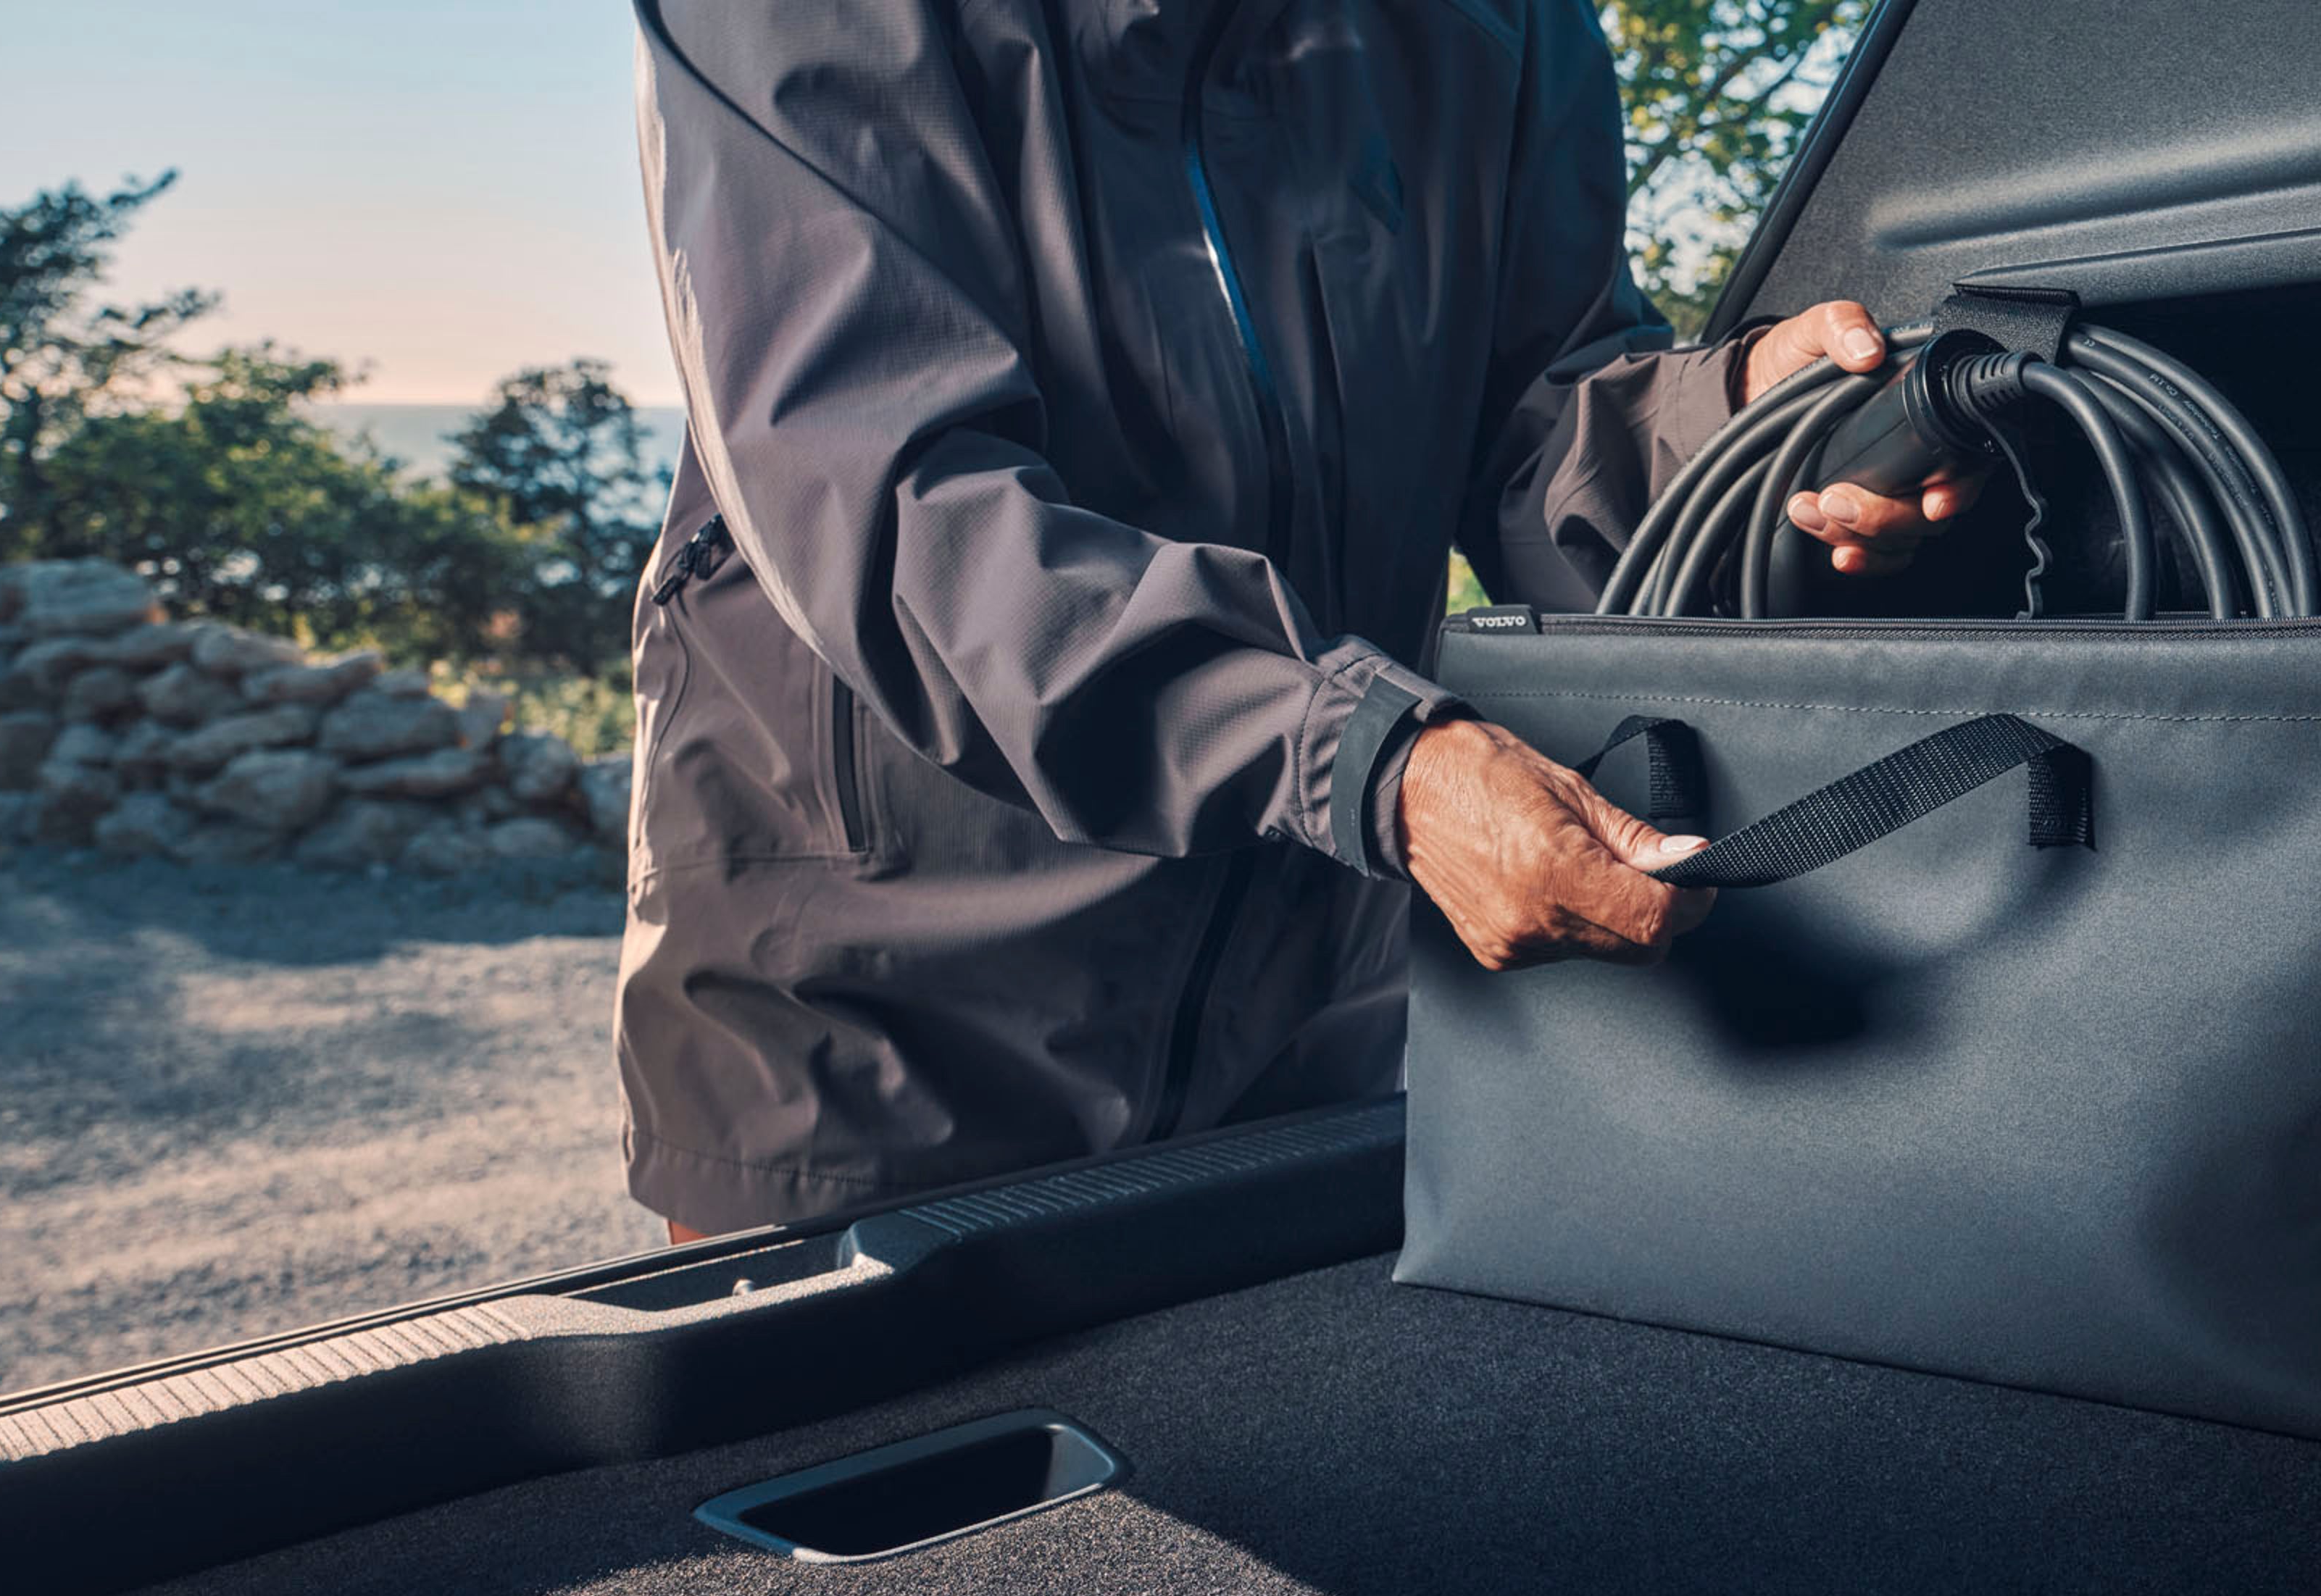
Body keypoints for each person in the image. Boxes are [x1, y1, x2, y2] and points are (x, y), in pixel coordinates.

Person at [623, 0, 1964, 1238]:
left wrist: (1744, 426)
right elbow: (887, 493)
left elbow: (1536, 425)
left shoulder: (1497, 22)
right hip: (879, 1007)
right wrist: (1372, 762)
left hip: (1311, 988)